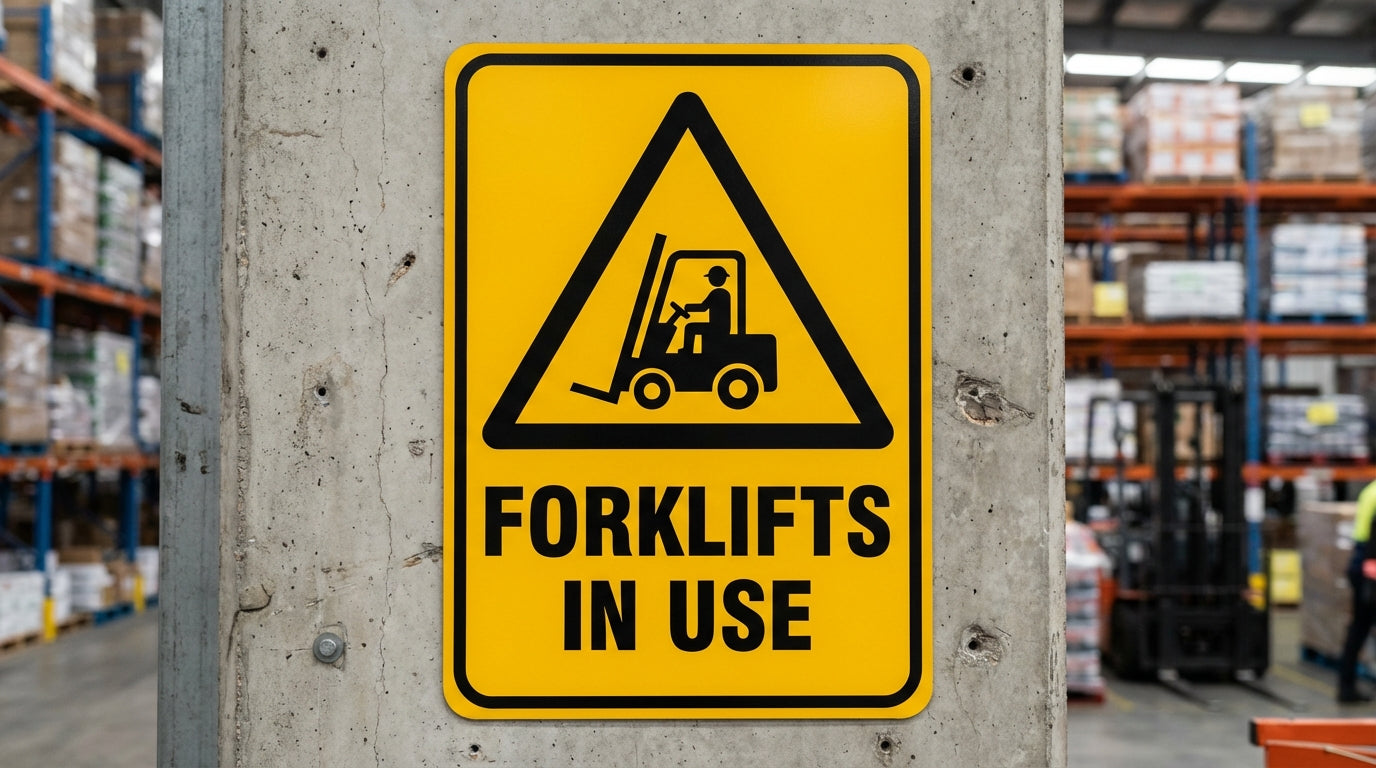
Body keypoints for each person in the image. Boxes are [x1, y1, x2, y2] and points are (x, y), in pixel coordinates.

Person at [1338, 478, 1376, 703]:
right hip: (1370, 566)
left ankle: (1346, 685)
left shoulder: (1370, 489)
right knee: (1360, 628)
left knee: (1358, 629)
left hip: (1362, 562)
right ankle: (1346, 686)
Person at [681, 265, 731, 354]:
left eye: (711, 277)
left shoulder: (717, 293)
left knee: (690, 327)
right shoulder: (723, 293)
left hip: (717, 327)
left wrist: (688, 307)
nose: (710, 279)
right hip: (719, 326)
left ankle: (687, 351)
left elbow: (703, 307)